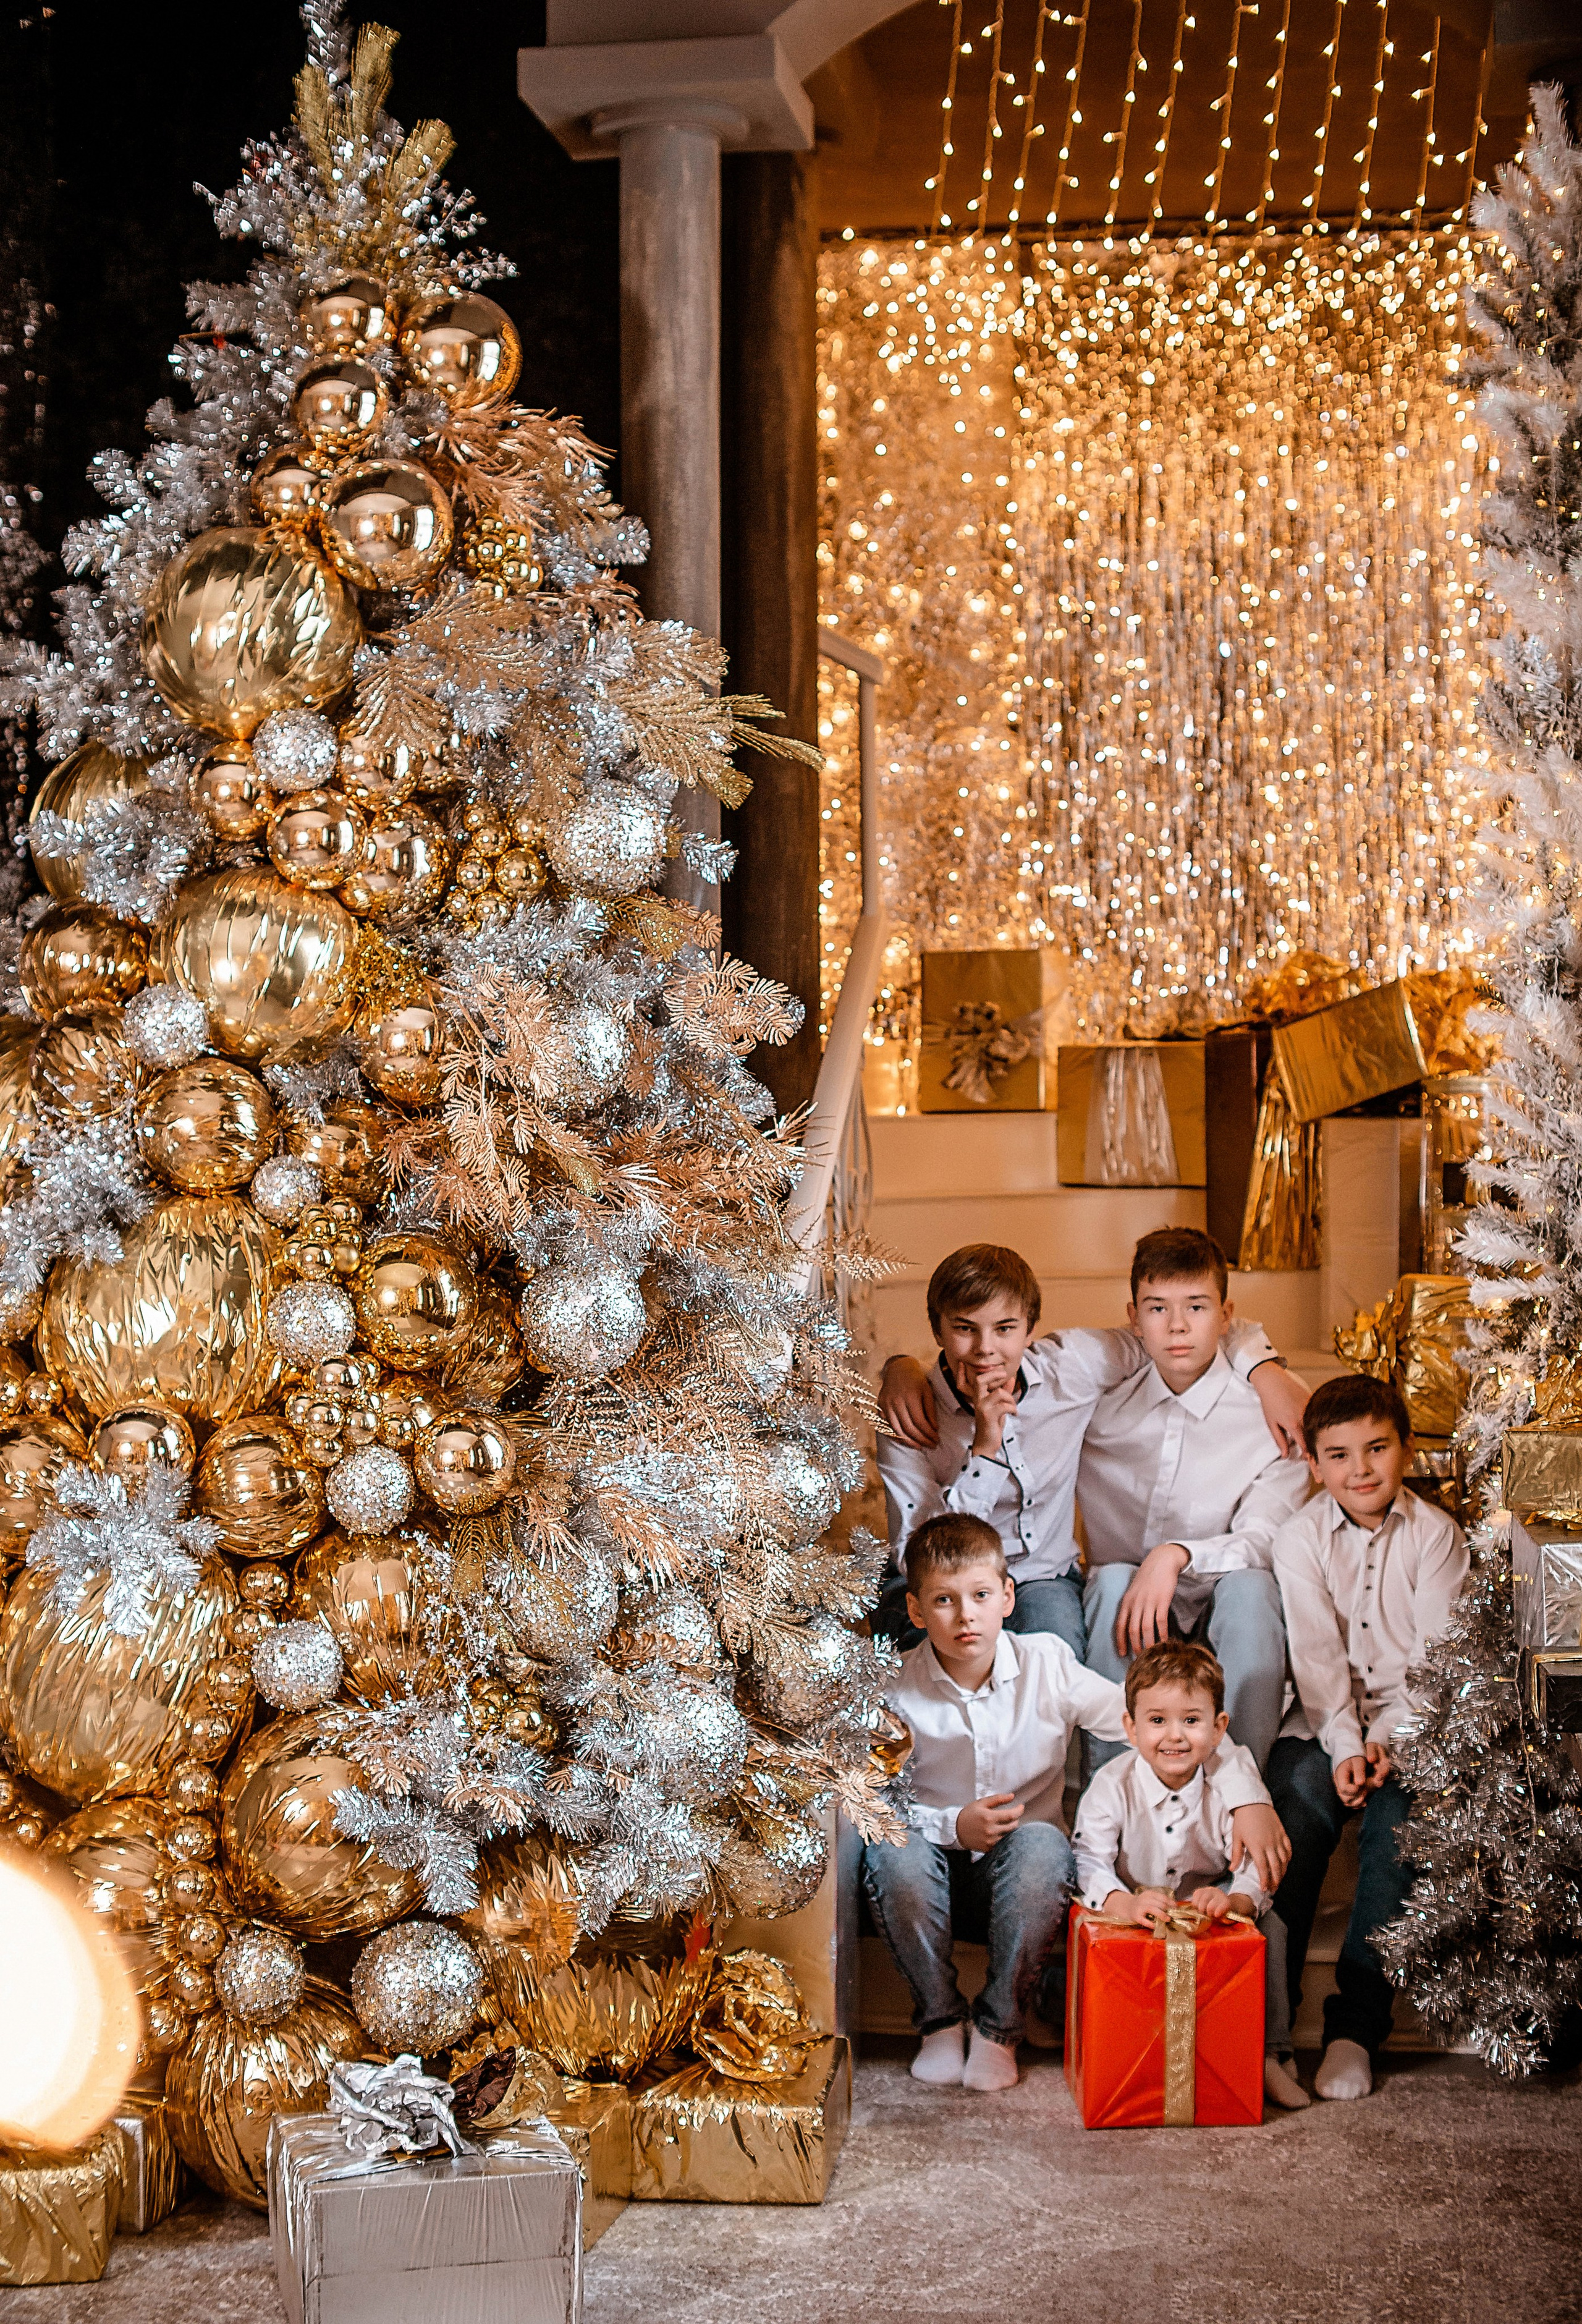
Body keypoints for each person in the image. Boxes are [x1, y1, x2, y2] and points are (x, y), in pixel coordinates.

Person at [862, 1511, 1290, 2093]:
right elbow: (867, 1798)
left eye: (981, 1595)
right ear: (915, 1611)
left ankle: (998, 2029)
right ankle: (939, 2020)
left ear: (1008, 1598)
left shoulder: (1047, 1665)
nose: (966, 1616)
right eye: (943, 1601)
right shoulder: (894, 1689)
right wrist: (954, 1825)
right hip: (928, 1878)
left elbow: (1153, 1725)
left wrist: (1247, 1799)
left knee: (1040, 1841)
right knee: (894, 1850)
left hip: (1024, 1890)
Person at [874, 1240, 1309, 1663]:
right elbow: (918, 1557)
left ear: (1030, 1327)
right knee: (930, 1678)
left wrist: (1265, 1370)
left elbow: (1181, 1332)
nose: (986, 1349)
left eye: (1005, 1329)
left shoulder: (1072, 1367)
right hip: (941, 1589)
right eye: (965, 1329)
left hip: (1041, 1577)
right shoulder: (909, 1414)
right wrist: (981, 1445)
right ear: (938, 1331)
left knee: (1057, 1663)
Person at [1266, 1371, 1468, 2101]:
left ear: (1406, 1449)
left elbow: (1434, 1661)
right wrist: (1348, 1747)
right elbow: (1315, 1660)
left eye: (1376, 1448)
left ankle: (1355, 2026)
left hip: (1413, 1725)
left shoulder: (1436, 1538)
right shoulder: (1299, 1539)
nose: (1360, 1470)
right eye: (1340, 1454)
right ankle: (1270, 2029)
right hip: (1318, 1722)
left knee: (1396, 1835)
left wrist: (1385, 1739)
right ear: (1315, 1464)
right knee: (1295, 1817)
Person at [1078, 1227, 1313, 1770]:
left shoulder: (1269, 1406)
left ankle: (1242, 1792)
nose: (1178, 1326)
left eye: (1197, 1307)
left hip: (1220, 1600)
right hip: (1130, 1601)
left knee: (1253, 1590)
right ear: (1133, 1319)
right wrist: (900, 1368)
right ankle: (1115, 1796)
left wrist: (1178, 1553)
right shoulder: (1100, 1401)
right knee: (1111, 1579)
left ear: (1226, 1315)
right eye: (1158, 1308)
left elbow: (1267, 1539)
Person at [1073, 1638, 1309, 2113]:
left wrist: (1236, 1904)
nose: (1175, 1736)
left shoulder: (1227, 1789)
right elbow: (1089, 1862)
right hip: (1132, 1905)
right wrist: (1124, 1904)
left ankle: (1268, 2053)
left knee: (1273, 1926)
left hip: (1206, 1906)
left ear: (1219, 1728)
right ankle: (1116, 2048)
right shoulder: (1111, 1785)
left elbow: (1249, 1868)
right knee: (1086, 1922)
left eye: (1192, 1721)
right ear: (1131, 1728)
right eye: (1157, 1721)